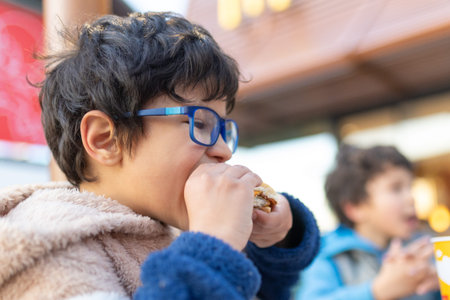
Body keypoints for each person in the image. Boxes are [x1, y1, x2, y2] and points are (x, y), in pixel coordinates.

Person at [0, 12, 320, 300]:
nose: (223, 150)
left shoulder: (177, 228)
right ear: (105, 140)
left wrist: (275, 239)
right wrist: (213, 246)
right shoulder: (49, 248)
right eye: (199, 123)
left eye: (222, 129)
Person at [295, 144, 440, 300]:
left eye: (410, 187)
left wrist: (442, 281)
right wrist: (377, 291)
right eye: (396, 189)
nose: (411, 198)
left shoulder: (422, 247)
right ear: (355, 208)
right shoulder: (329, 256)